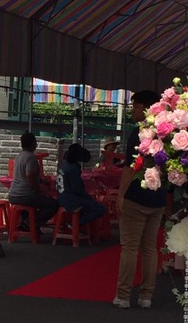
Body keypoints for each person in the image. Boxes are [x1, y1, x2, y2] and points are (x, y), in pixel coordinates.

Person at [114, 89, 169, 309]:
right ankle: (146, 295)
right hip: (157, 198)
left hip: (136, 197)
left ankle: (123, 295)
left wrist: (120, 195)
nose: (132, 110)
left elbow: (129, 168)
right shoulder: (167, 133)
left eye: (135, 106)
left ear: (147, 108)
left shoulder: (137, 133)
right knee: (149, 248)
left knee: (129, 247)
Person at [8, 131, 58, 229]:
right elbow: (29, 175)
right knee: (53, 205)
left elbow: (26, 174)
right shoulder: (31, 157)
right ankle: (29, 223)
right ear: (33, 144)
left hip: (13, 195)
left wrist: (41, 181)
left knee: (35, 205)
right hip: (25, 195)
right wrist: (38, 190)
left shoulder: (19, 156)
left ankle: (27, 225)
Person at [56, 143, 108, 231]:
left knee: (88, 205)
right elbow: (77, 189)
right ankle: (76, 223)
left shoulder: (64, 165)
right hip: (72, 201)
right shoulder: (73, 168)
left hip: (61, 198)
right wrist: (88, 197)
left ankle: (76, 225)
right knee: (101, 209)